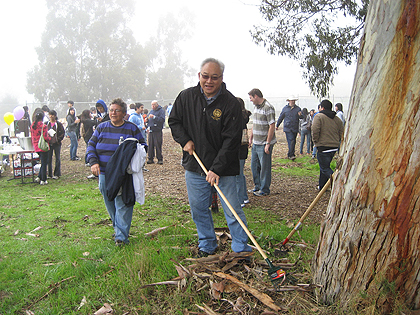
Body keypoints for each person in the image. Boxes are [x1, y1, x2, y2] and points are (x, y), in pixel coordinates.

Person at [169, 57, 252, 257]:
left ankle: (241, 247)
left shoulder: (230, 103)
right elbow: (174, 121)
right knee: (199, 209)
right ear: (199, 75)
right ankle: (207, 244)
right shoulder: (186, 97)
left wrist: (217, 169)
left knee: (232, 210)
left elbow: (231, 140)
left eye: (214, 77)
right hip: (195, 165)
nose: (209, 81)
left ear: (221, 78)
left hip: (225, 169)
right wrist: (184, 140)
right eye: (205, 76)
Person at [86, 98, 147, 246]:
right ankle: (118, 226)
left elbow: (143, 147)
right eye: (111, 110)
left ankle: (121, 237)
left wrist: (134, 161)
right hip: (104, 173)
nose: (113, 113)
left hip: (123, 175)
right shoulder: (102, 128)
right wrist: (93, 162)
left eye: (117, 110)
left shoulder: (131, 129)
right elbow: (91, 145)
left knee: (123, 202)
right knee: (109, 199)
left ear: (124, 113)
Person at [248, 88, 276, 196]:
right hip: (256, 142)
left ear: (256, 96)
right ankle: (257, 186)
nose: (250, 100)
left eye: (251, 98)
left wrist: (268, 143)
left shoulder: (268, 107)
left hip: (264, 143)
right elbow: (255, 124)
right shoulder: (256, 107)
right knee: (254, 166)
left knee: (265, 167)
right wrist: (251, 138)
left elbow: (272, 125)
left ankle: (264, 189)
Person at [311, 99, 344, 190]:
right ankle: (322, 186)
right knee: (324, 167)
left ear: (322, 107)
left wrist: (315, 141)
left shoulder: (319, 116)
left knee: (325, 168)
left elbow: (315, 130)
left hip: (323, 146)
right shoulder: (336, 118)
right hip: (334, 146)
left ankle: (338, 182)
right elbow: (342, 131)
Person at [236, 97, 251, 207]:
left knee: (238, 175)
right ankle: (244, 197)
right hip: (243, 149)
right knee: (240, 174)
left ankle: (240, 200)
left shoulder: (237, 118)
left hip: (238, 149)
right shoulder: (244, 117)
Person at [276, 96, 302, 160]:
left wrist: (300, 115)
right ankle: (291, 155)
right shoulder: (285, 109)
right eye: (291, 100)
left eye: (293, 100)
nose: (292, 101)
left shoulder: (298, 109)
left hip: (295, 128)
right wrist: (277, 125)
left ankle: (290, 154)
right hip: (287, 128)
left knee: (293, 141)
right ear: (289, 101)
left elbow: (302, 117)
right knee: (291, 140)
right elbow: (281, 117)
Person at [31, 112, 51, 185]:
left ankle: (39, 176)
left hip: (36, 146)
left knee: (42, 161)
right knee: (44, 163)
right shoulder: (43, 126)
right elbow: (45, 137)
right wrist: (50, 137)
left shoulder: (32, 125)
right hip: (43, 146)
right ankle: (43, 179)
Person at [46, 110, 65, 179]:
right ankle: (49, 174)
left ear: (55, 116)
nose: (51, 116)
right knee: (49, 158)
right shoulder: (47, 124)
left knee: (57, 158)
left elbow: (63, 133)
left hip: (57, 143)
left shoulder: (58, 124)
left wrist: (58, 140)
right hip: (49, 143)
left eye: (52, 115)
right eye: (50, 115)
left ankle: (57, 173)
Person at [146, 100, 165, 164]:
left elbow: (162, 120)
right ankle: (150, 158)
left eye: (154, 105)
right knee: (150, 145)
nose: (153, 106)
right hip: (151, 130)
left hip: (157, 130)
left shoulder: (161, 111)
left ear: (157, 105)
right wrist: (147, 120)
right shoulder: (151, 111)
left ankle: (160, 159)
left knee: (158, 145)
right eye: (152, 105)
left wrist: (154, 117)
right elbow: (149, 120)